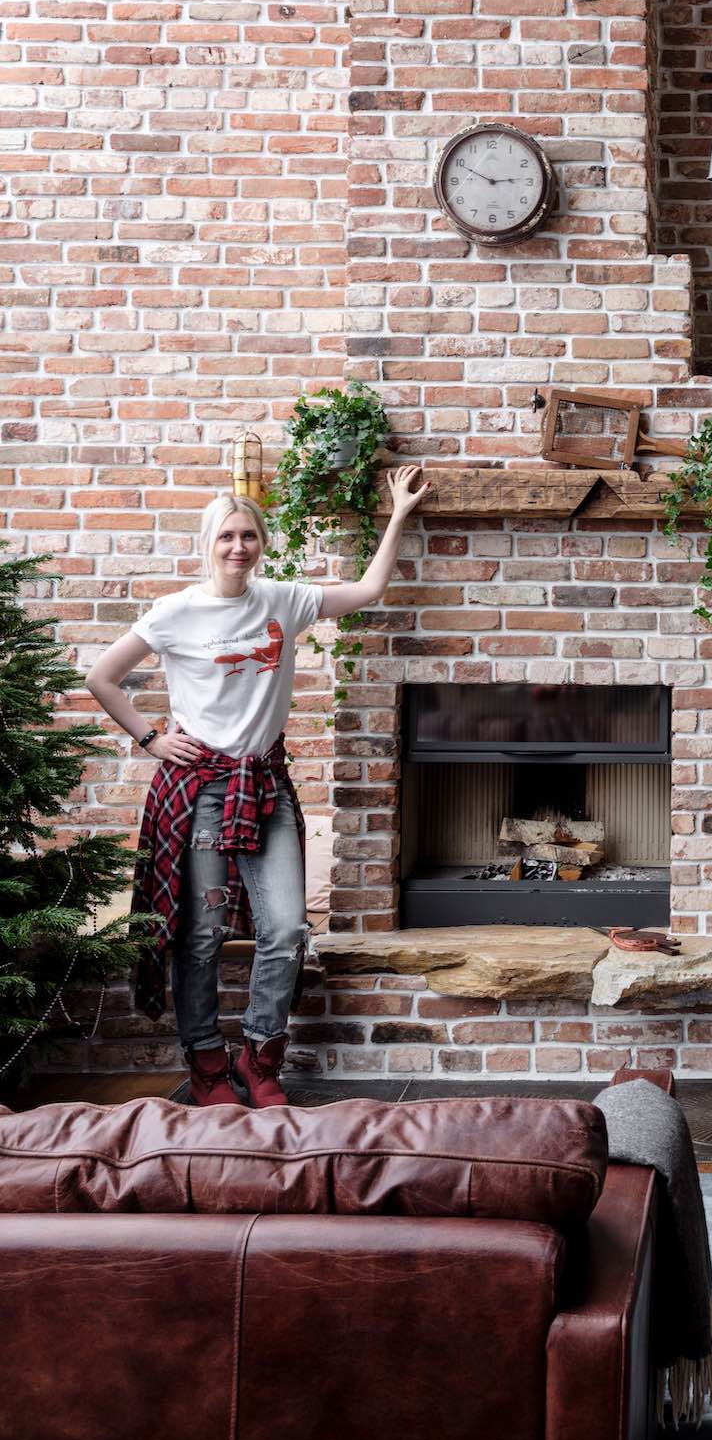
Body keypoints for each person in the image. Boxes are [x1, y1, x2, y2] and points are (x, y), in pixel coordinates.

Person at [85, 466, 428, 1106]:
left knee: (287, 929)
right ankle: (208, 1069)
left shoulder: (284, 600)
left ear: (261, 542)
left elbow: (368, 588)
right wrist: (150, 738)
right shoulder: (175, 613)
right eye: (226, 537)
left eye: (248, 536)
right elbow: (103, 677)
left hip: (266, 788)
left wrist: (399, 514)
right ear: (207, 543)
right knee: (202, 935)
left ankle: (259, 1058)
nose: (237, 548)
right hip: (203, 791)